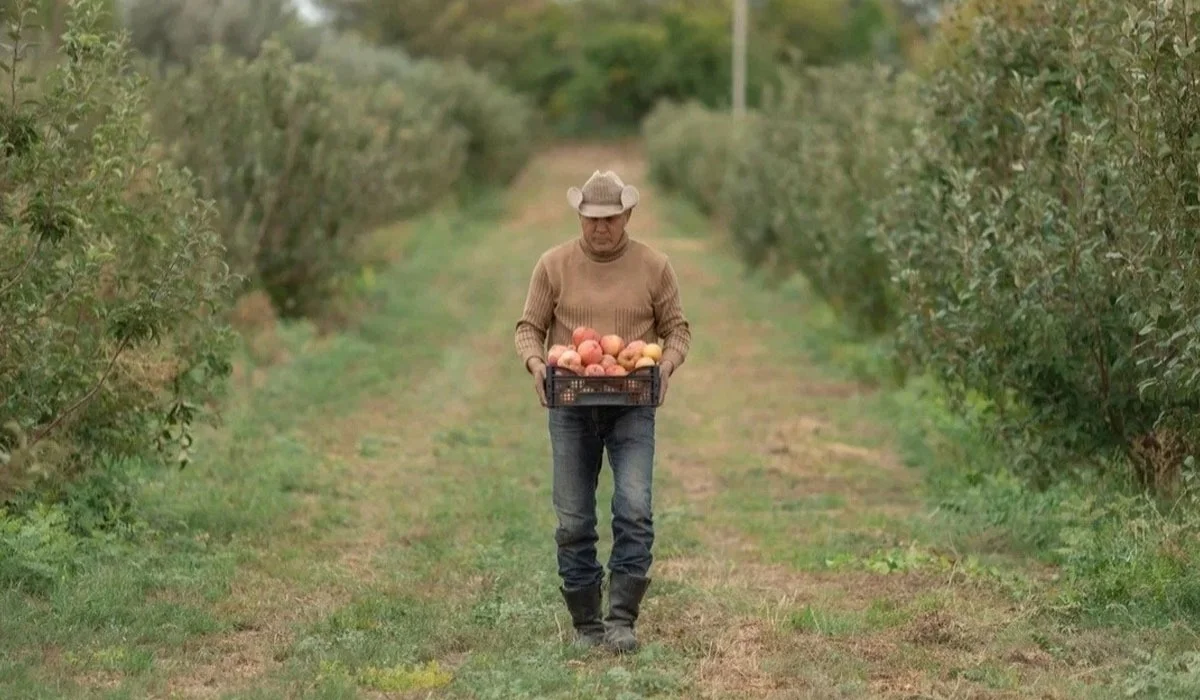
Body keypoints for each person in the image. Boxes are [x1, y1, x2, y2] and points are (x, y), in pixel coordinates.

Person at [514, 170, 691, 653]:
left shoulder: (655, 266)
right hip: (571, 402)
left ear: (627, 215)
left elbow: (677, 330)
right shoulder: (553, 265)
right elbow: (529, 327)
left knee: (634, 510)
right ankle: (586, 624)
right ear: (579, 217)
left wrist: (668, 366)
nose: (600, 228)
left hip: (633, 401)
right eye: (591, 219)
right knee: (573, 518)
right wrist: (535, 364)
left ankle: (621, 620)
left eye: (610, 219)